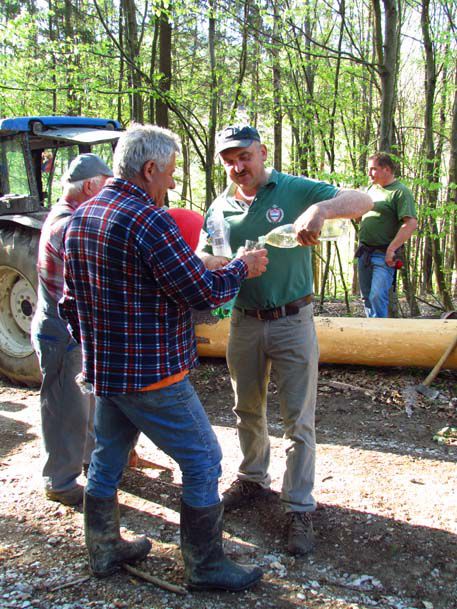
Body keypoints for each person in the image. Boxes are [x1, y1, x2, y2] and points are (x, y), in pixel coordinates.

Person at [58, 123, 268, 591]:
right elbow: (200, 290)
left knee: (108, 459)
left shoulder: (82, 216)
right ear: (149, 168)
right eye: (170, 173)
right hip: (152, 377)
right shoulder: (148, 220)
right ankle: (205, 566)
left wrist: (96, 348)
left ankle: (105, 548)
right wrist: (241, 267)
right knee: (203, 460)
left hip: (106, 372)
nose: (172, 183)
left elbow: (69, 302)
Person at [198, 124, 373, 556]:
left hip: (293, 318)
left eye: (244, 156)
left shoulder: (293, 188)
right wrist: (216, 260)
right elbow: (204, 252)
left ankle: (298, 507)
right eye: (229, 160)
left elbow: (364, 200)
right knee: (246, 408)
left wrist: (322, 210)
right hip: (244, 321)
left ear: (262, 152)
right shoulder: (220, 207)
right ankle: (253, 478)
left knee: (299, 419)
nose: (238, 166)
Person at [31, 153, 113, 506]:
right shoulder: (67, 225)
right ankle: (60, 481)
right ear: (91, 186)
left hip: (70, 329)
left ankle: (87, 463)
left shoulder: (71, 216)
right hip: (61, 331)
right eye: (107, 189)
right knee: (64, 407)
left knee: (84, 403)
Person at [356, 152, 417, 318]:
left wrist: (392, 249)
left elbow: (410, 223)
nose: (369, 173)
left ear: (387, 169)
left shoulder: (400, 192)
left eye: (373, 169)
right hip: (364, 252)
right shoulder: (370, 189)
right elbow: (361, 215)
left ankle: (379, 338)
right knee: (367, 297)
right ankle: (372, 333)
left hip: (383, 255)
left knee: (377, 296)